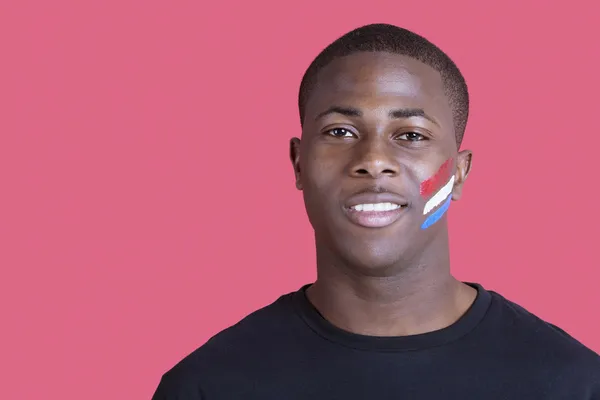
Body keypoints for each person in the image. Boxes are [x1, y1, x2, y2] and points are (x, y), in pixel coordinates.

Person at [151, 23, 600, 399]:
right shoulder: (207, 387)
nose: (373, 159)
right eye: (341, 130)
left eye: (411, 135)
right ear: (299, 163)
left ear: (458, 174)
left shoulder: (573, 384)